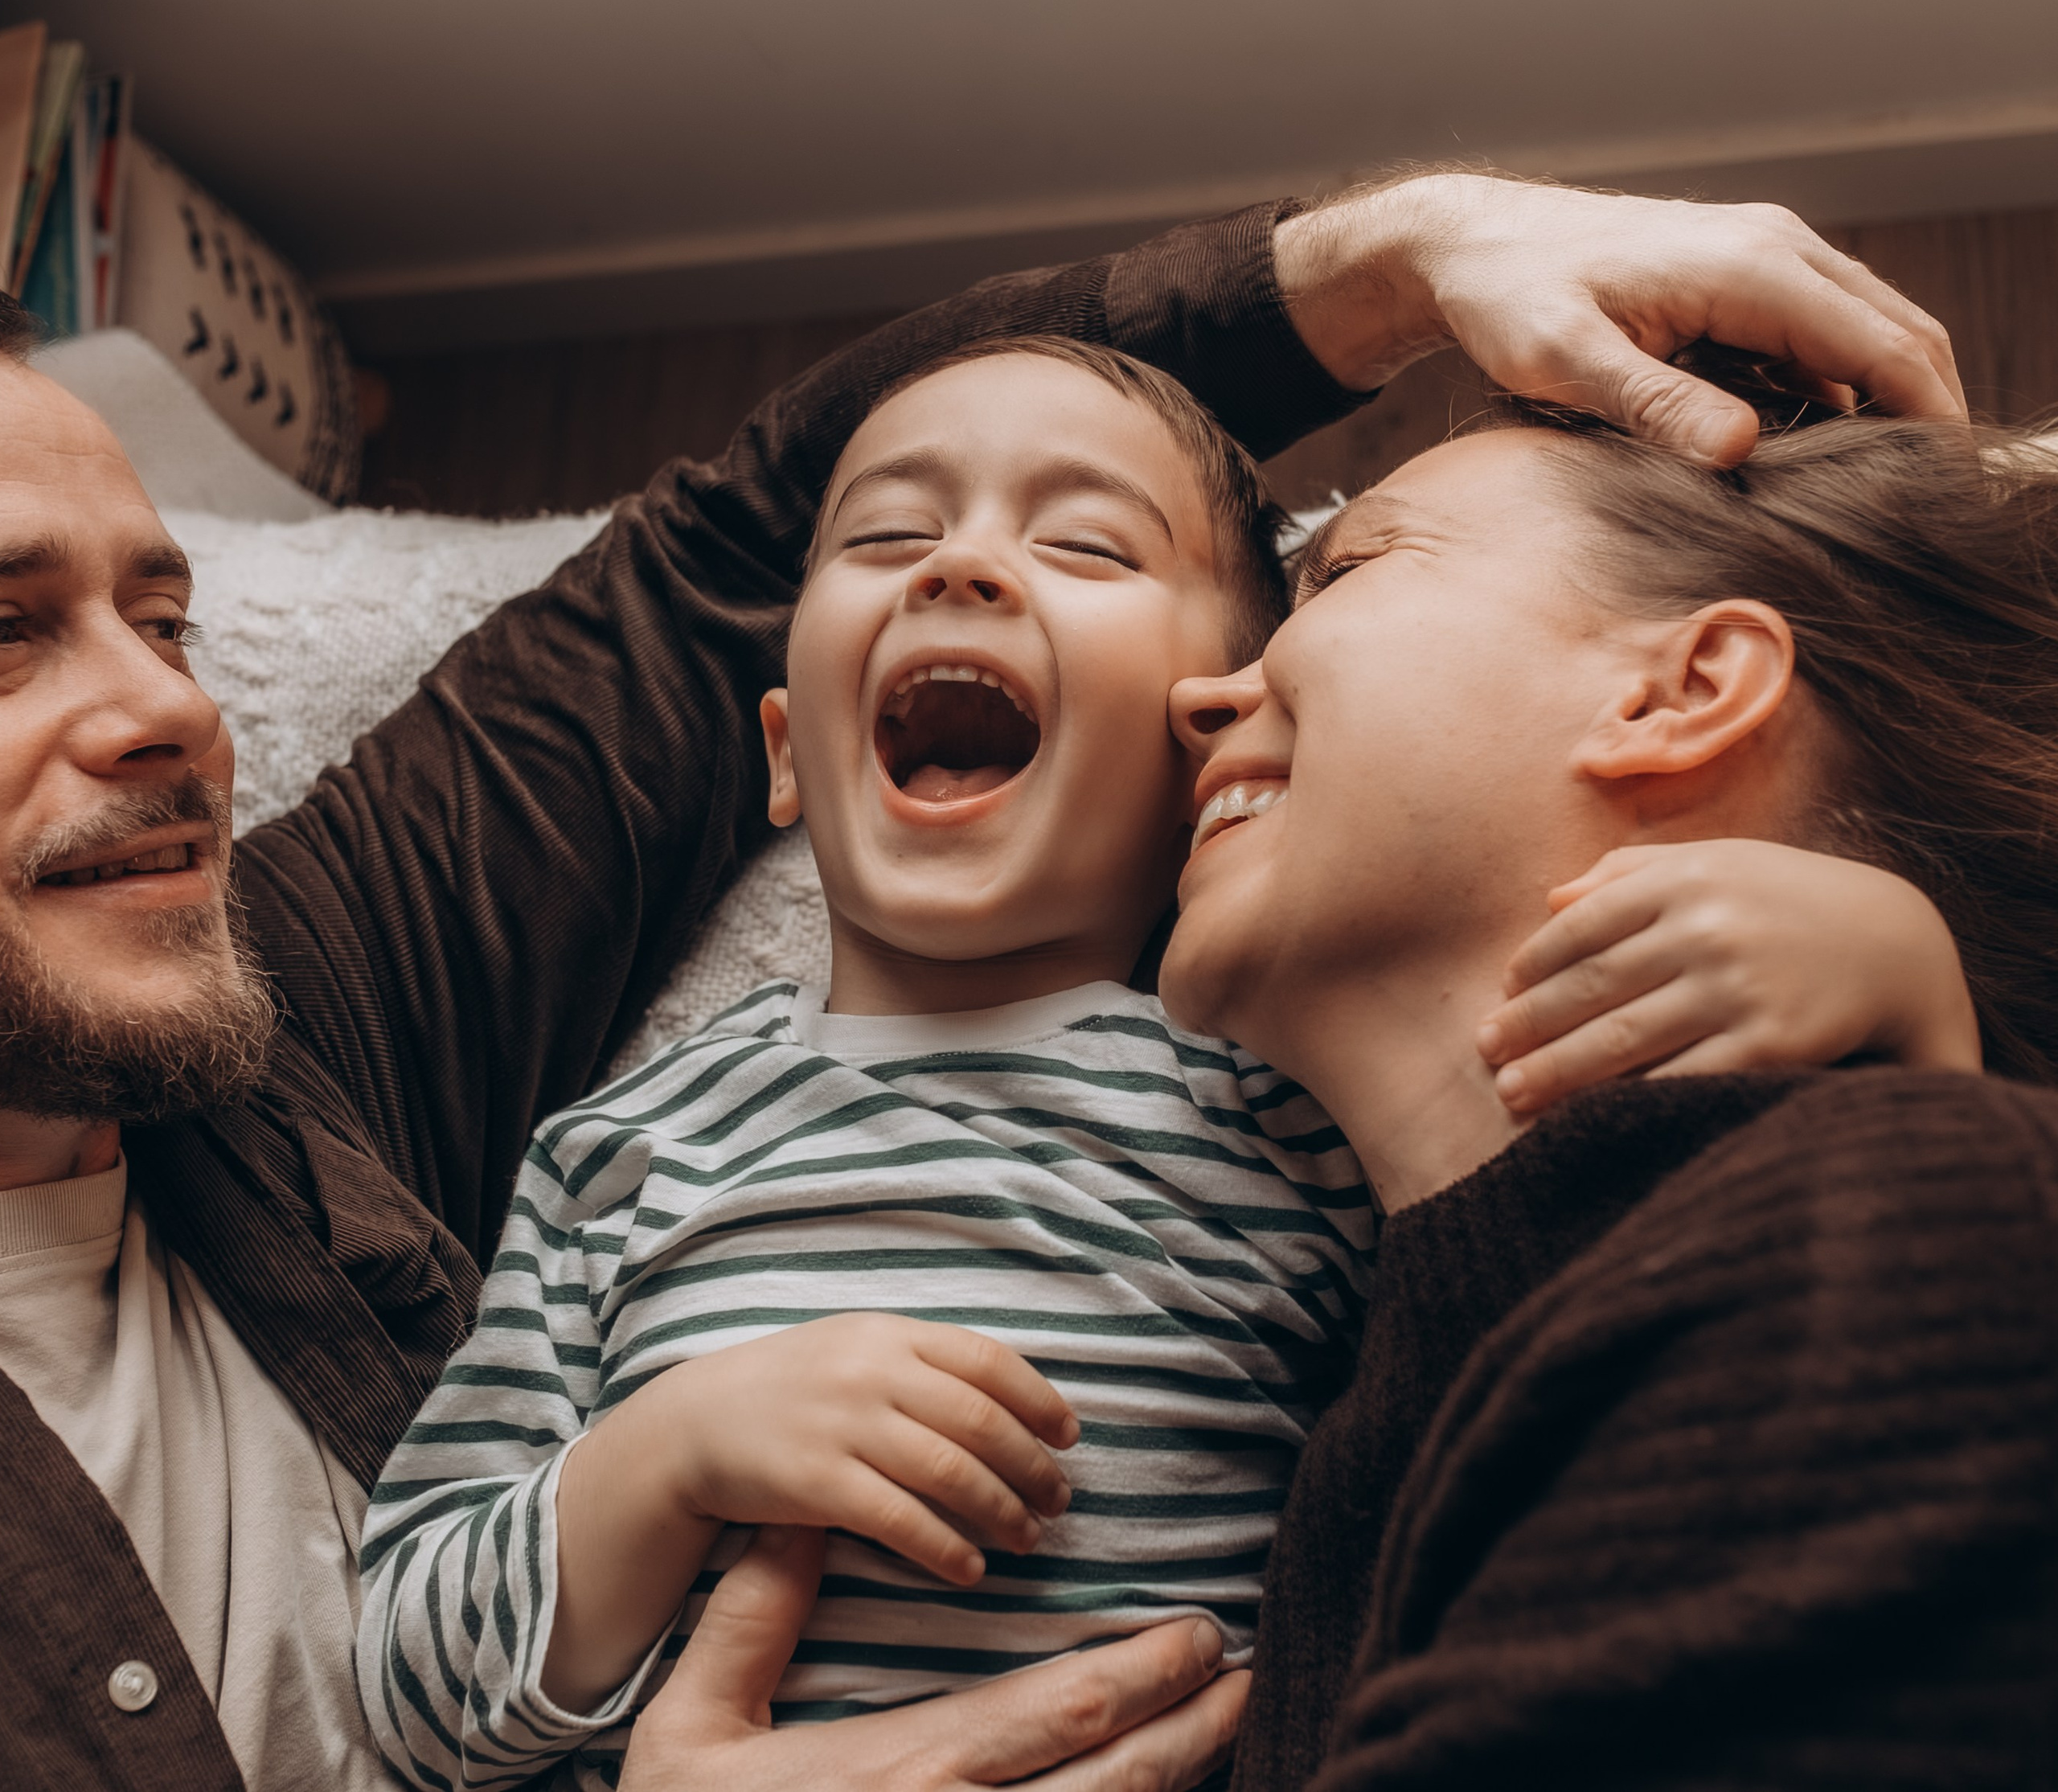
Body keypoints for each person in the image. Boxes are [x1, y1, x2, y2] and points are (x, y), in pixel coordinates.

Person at [0, 174, 1968, 1792]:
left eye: (170, 615)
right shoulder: (619, 1157)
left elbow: (1580, 1342)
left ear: (1220, 739)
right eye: (8, 635)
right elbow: (416, 1669)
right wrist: (657, 1462)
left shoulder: (1281, 1091)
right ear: (789, 753)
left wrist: (1891, 982)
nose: (172, 704)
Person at [1147, 376, 2058, 1786]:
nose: (1198, 696)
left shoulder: (1908, 1233)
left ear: (1681, 692)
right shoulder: (1366, 1426)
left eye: (1351, 566)